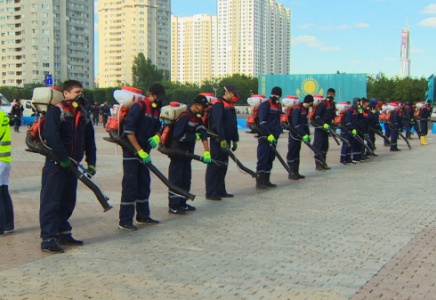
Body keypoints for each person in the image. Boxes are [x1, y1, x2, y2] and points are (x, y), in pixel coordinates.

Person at [39, 80, 96, 253]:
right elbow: (52, 136)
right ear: (66, 94)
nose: (80, 95)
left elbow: (89, 140)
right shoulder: (56, 112)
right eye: (77, 91)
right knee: (51, 202)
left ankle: (63, 233)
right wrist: (62, 158)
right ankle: (48, 239)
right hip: (56, 164)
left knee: (68, 201)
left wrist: (91, 162)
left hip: (73, 165)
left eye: (81, 91)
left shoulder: (83, 114)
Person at [118, 83, 165, 231]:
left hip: (145, 152)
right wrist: (139, 151)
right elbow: (129, 132)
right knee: (130, 186)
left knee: (144, 184)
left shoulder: (157, 110)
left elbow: (158, 128)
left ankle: (143, 215)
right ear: (150, 94)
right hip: (132, 152)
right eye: (157, 97)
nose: (159, 100)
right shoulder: (139, 107)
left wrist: (157, 137)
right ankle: (125, 220)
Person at [167, 95, 211, 214]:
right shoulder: (184, 117)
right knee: (176, 180)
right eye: (203, 107)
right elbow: (178, 136)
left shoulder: (196, 118)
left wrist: (207, 151)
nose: (204, 109)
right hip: (178, 153)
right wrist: (193, 137)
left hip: (187, 155)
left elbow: (203, 133)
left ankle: (182, 202)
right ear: (196, 105)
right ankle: (174, 206)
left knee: (186, 179)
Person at [205, 84, 239, 201]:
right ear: (227, 93)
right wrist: (222, 138)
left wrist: (236, 139)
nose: (235, 96)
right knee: (215, 165)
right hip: (218, 140)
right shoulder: (218, 104)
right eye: (233, 94)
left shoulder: (231, 105)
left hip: (227, 140)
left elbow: (234, 124)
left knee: (223, 165)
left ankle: (220, 189)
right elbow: (218, 123)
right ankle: (211, 192)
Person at [255, 86, 283, 189]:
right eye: (275, 95)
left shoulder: (278, 106)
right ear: (271, 94)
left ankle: (267, 180)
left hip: (274, 137)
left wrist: (277, 133)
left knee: (270, 158)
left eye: (278, 95)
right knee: (263, 158)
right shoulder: (265, 105)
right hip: (264, 137)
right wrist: (268, 134)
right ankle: (260, 182)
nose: (277, 97)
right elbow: (262, 122)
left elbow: (278, 121)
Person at [286, 95, 313, 179]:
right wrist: (303, 133)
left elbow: (305, 124)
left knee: (297, 154)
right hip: (294, 135)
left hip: (300, 136)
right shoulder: (297, 110)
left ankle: (296, 172)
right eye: (311, 102)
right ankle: (291, 173)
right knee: (292, 154)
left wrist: (308, 134)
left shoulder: (305, 109)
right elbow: (296, 124)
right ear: (309, 102)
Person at [313, 88, 336, 171]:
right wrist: (323, 124)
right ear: (327, 94)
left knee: (325, 146)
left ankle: (323, 163)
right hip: (320, 128)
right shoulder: (323, 104)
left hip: (326, 129)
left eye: (332, 94)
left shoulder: (332, 105)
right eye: (329, 94)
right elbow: (317, 116)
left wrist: (332, 127)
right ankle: (318, 164)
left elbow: (332, 117)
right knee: (318, 146)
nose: (331, 95)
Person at [0, 98, 13, 237]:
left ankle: (0, 228)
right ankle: (9, 224)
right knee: (4, 192)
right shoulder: (3, 115)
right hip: (6, 158)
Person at [340, 98, 358, 165]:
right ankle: (342, 159)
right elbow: (347, 121)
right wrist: (351, 128)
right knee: (346, 145)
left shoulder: (354, 110)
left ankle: (348, 159)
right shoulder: (350, 111)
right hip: (346, 131)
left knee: (350, 145)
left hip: (351, 130)